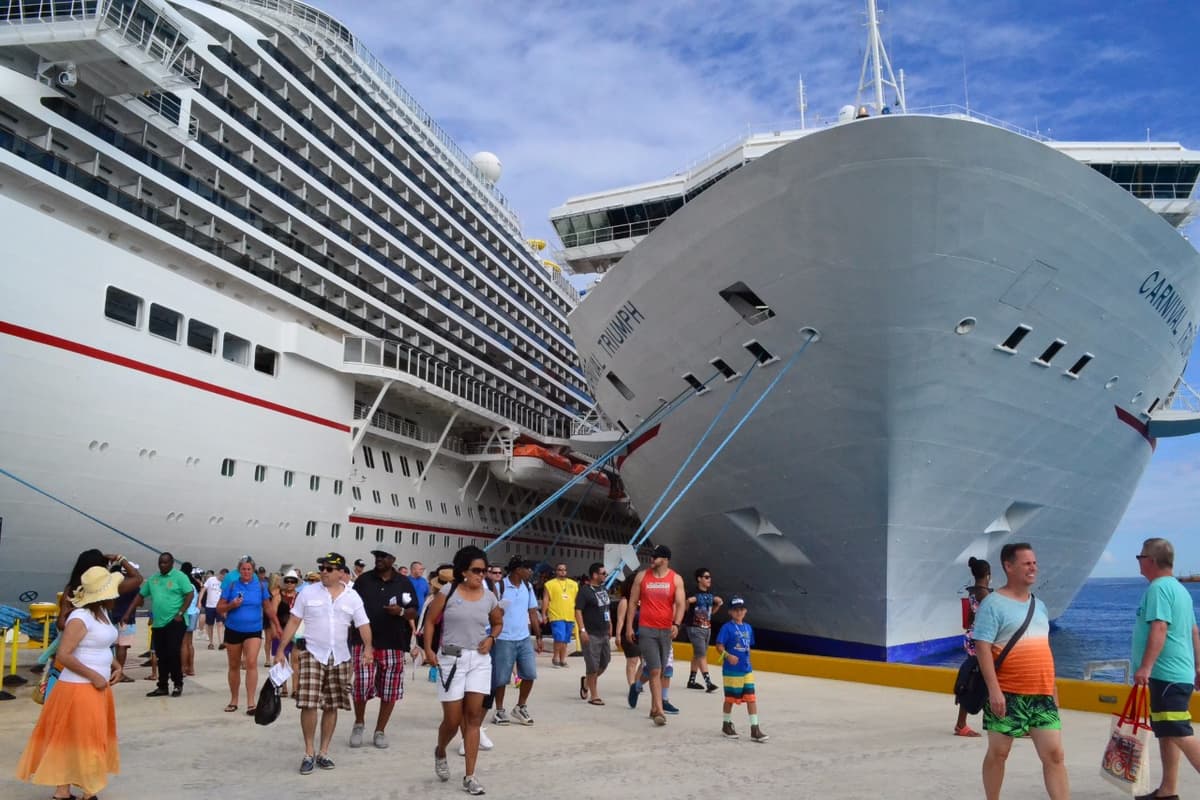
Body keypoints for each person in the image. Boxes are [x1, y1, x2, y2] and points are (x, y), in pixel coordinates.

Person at [16, 566, 123, 799]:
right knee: (85, 740)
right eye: (114, 591)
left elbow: (100, 645)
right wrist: (94, 676)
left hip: (94, 688)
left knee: (74, 739)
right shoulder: (80, 618)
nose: (117, 595)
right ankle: (87, 790)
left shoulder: (102, 613)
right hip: (79, 688)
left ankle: (63, 791)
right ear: (103, 595)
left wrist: (115, 666)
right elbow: (64, 655)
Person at [973, 543, 1067, 800]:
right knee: (999, 754)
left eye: (1034, 563)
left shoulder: (1040, 606)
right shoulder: (993, 604)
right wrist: (994, 691)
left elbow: (1044, 649)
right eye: (1027, 563)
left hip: (1041, 695)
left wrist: (1053, 689)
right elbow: (982, 647)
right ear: (1008, 566)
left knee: (1055, 755)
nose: (1033, 567)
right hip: (1008, 693)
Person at [275, 552, 373, 775]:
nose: (324, 572)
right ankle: (309, 752)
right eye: (322, 568)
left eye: (329, 569)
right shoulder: (307, 593)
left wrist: (368, 648)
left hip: (340, 656)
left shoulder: (352, 597)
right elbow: (293, 621)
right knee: (308, 703)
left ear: (341, 572)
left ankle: (324, 751)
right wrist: (281, 650)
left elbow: (363, 624)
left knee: (331, 705)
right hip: (312, 653)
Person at [423, 546, 503, 796]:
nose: (482, 575)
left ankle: (470, 776)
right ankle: (440, 750)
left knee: (473, 717)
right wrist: (428, 649)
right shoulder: (448, 592)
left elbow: (498, 622)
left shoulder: (489, 596)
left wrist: (491, 638)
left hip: (479, 660)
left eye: (484, 570)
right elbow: (429, 621)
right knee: (453, 719)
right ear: (463, 571)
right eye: (476, 570)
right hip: (451, 659)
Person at [1131, 537, 1200, 800]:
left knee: (1178, 731)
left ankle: (1168, 790)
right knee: (1167, 732)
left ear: (1150, 560)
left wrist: (1146, 667)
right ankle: (1167, 790)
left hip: (1166, 674)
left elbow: (1160, 627)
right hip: (1178, 673)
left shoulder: (1158, 589)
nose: (1138, 561)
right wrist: (1198, 666)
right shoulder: (1180, 590)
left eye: (1140, 556)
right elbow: (1193, 630)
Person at [349, 550, 418, 750]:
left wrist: (401, 612)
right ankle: (359, 723)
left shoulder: (403, 583)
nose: (379, 560)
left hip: (393, 641)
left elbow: (414, 609)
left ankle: (380, 730)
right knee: (361, 683)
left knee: (390, 688)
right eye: (377, 556)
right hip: (363, 641)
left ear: (393, 560)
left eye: (384, 556)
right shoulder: (363, 580)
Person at [625, 544, 686, 726]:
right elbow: (632, 602)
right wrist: (629, 627)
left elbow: (681, 604)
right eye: (652, 556)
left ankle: (640, 691)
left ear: (666, 559)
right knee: (655, 669)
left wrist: (677, 623)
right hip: (646, 629)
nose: (652, 559)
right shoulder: (642, 576)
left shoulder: (676, 579)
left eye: (656, 557)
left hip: (666, 629)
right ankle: (659, 710)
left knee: (659, 671)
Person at [217, 556, 281, 714]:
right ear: (239, 570)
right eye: (243, 569)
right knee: (234, 665)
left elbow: (267, 607)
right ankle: (234, 700)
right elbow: (220, 608)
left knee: (251, 662)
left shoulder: (259, 586)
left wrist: (277, 625)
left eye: (249, 569)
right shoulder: (231, 585)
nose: (246, 572)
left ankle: (251, 702)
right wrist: (232, 605)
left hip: (253, 630)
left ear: (253, 571)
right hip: (233, 629)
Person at [126, 552, 193, 698]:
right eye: (160, 563)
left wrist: (180, 613)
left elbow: (190, 594)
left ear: (172, 563)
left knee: (173, 653)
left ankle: (177, 684)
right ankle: (162, 686)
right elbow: (140, 595)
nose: (162, 565)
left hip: (175, 621)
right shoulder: (153, 579)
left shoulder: (180, 577)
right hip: (158, 623)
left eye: (165, 563)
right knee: (161, 655)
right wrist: (128, 613)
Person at [491, 556, 542, 726]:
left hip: (523, 637)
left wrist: (538, 635)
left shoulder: (528, 587)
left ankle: (520, 706)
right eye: (527, 568)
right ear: (517, 569)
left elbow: (533, 612)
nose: (530, 571)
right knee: (502, 677)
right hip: (504, 637)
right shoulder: (500, 586)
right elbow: (491, 611)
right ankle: (499, 710)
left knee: (530, 674)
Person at [714, 595, 767, 742]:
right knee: (730, 698)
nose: (739, 612)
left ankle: (755, 728)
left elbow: (748, 645)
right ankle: (726, 723)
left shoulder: (748, 628)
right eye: (735, 610)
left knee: (751, 698)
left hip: (746, 669)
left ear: (745, 611)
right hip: (732, 670)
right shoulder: (727, 628)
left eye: (741, 610)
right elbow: (719, 646)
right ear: (731, 612)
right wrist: (727, 655)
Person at [955, 556, 992, 737]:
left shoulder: (972, 593)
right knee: (979, 681)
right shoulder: (986, 596)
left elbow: (970, 619)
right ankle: (961, 724)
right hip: (982, 642)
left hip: (971, 638)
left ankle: (962, 723)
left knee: (975, 680)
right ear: (988, 575)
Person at [575, 562, 612, 705]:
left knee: (605, 661)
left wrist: (610, 625)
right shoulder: (585, 591)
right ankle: (594, 695)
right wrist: (582, 630)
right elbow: (578, 610)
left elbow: (606, 609)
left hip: (603, 632)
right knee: (592, 665)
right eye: (603, 573)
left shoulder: (603, 589)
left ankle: (586, 682)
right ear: (595, 575)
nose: (605, 576)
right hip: (591, 633)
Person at [686, 567, 722, 692]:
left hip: (707, 627)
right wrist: (688, 604)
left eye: (710, 577)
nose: (709, 579)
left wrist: (717, 605)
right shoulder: (692, 593)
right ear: (699, 579)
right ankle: (708, 682)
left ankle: (691, 680)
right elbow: (685, 604)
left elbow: (709, 613)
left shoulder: (710, 594)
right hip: (695, 628)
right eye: (706, 577)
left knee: (698, 654)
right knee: (701, 655)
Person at [542, 563, 579, 667]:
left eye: (564, 570)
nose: (562, 572)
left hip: (569, 615)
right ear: (556, 571)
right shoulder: (549, 584)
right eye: (560, 570)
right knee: (559, 637)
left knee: (566, 639)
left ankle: (563, 659)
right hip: (556, 615)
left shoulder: (574, 584)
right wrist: (544, 614)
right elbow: (546, 599)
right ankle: (556, 657)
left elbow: (576, 600)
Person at [614, 572, 643, 706]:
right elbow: (620, 620)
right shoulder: (625, 601)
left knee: (646, 662)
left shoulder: (641, 601)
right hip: (629, 634)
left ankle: (637, 682)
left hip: (642, 634)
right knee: (633, 661)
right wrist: (618, 635)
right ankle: (632, 686)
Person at [200, 569, 223, 649]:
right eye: (223, 576)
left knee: (220, 624)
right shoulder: (211, 580)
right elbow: (203, 590)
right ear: (220, 574)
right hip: (210, 605)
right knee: (210, 624)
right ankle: (211, 642)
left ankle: (221, 642)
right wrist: (199, 601)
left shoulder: (225, 582)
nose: (223, 578)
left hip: (220, 606)